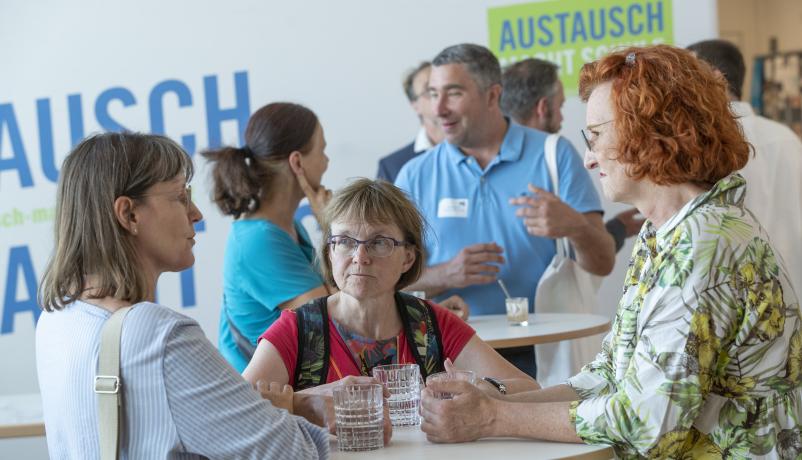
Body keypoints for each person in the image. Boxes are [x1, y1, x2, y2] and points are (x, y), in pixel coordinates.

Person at [419, 44, 802, 459]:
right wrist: (495, 405)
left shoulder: (703, 244)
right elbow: (610, 374)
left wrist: (493, 418)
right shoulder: (668, 234)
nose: (587, 158)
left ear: (649, 130)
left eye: (596, 135)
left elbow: (648, 422)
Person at [35, 132, 329, 459]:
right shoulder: (160, 336)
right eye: (180, 196)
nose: (196, 214)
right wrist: (290, 409)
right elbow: (295, 452)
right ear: (129, 215)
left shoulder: (56, 318)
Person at [395, 43, 615, 377]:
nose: (438, 108)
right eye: (432, 93)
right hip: (453, 359)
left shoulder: (554, 154)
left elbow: (603, 262)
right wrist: (446, 274)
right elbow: (389, 281)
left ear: (492, 95)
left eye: (453, 93)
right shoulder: (415, 174)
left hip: (546, 357)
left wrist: (576, 227)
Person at [242, 179, 539, 398]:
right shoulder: (298, 329)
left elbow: (527, 387)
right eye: (344, 241)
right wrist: (306, 400)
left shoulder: (432, 324)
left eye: (379, 242)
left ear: (408, 257)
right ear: (329, 252)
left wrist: (480, 387)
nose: (360, 257)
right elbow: (235, 411)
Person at [203, 102, 333, 372]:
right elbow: (336, 320)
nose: (326, 162)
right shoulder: (259, 240)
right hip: (260, 405)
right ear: (297, 162)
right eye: (321, 150)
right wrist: (332, 227)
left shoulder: (290, 227)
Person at [688, 38, 802, 298]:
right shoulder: (786, 137)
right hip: (793, 290)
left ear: (717, 78)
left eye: (689, 74)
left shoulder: (703, 143)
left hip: (737, 303)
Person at [500, 57, 643, 252]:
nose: (562, 118)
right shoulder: (559, 155)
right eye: (560, 106)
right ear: (542, 108)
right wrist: (617, 229)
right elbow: (597, 254)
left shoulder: (478, 158)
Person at [376, 61, 445, 183]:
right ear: (415, 105)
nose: (441, 97)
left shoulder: (480, 153)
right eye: (430, 91)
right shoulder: (392, 166)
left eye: (447, 87)